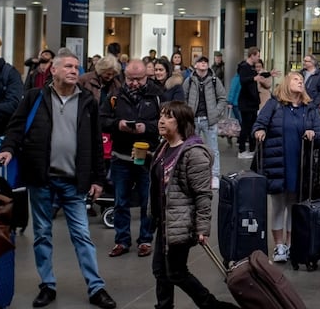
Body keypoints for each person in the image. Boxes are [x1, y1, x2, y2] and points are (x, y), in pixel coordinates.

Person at [0, 49, 116, 309]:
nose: (74, 71)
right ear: (54, 70)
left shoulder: (87, 102)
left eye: (77, 67)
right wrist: (7, 148)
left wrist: (98, 179)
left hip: (74, 181)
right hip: (42, 179)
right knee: (42, 235)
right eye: (69, 66)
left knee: (82, 236)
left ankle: (96, 287)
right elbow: (16, 128)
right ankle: (47, 285)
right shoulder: (34, 98)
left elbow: (96, 143)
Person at [148, 101, 237, 309]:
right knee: (161, 271)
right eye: (161, 116)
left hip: (182, 223)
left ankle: (212, 305)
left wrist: (202, 227)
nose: (161, 121)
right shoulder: (163, 148)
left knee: (176, 273)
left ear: (181, 122)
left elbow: (203, 195)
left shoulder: (193, 153)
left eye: (168, 117)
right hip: (165, 221)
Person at [251, 72, 320, 263]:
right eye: (295, 79)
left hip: (300, 163)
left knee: (294, 205)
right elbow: (259, 124)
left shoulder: (309, 108)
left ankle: (291, 245)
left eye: (301, 80)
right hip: (277, 162)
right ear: (286, 83)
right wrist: (259, 131)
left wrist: (313, 134)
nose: (300, 81)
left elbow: (319, 132)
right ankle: (279, 246)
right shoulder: (274, 104)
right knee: (277, 205)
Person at [100, 59, 162, 258]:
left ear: (147, 76)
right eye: (130, 79)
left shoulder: (157, 95)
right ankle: (122, 240)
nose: (134, 83)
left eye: (139, 79)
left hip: (148, 158)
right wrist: (118, 125)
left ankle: (145, 240)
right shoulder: (115, 95)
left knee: (147, 202)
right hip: (121, 156)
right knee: (120, 201)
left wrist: (147, 127)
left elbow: (170, 121)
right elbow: (101, 120)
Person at [182, 56, 227, 190]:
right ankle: (192, 175)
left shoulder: (214, 80)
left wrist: (216, 113)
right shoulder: (189, 80)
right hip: (193, 120)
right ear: (195, 65)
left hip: (209, 120)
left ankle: (214, 175)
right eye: (200, 62)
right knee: (191, 149)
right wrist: (187, 113)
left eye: (205, 62)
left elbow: (222, 98)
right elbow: (183, 98)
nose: (203, 64)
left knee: (213, 149)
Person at [236, 48, 277, 159]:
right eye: (257, 56)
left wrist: (269, 74)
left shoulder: (251, 68)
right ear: (252, 55)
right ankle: (242, 149)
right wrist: (254, 78)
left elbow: (259, 76)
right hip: (246, 102)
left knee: (253, 125)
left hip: (252, 102)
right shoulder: (244, 67)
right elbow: (243, 80)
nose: (259, 58)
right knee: (246, 126)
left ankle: (252, 149)